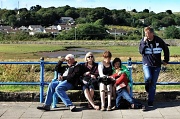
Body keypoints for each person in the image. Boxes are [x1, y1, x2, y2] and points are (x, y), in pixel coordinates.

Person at [139, 26, 169, 107]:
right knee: (148, 77)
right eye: (145, 33)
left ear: (152, 33)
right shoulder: (143, 41)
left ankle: (150, 101)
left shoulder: (158, 40)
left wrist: (166, 60)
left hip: (157, 65)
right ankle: (146, 85)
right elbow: (141, 51)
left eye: (148, 33)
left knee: (153, 83)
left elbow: (166, 49)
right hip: (147, 64)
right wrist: (144, 43)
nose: (146, 35)